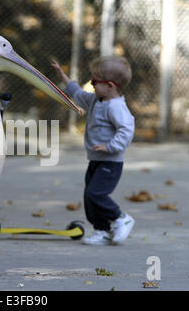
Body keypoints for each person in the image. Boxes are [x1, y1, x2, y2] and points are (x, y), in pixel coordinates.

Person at [52, 56, 135, 245]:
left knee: (95, 194)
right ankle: (102, 231)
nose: (91, 85)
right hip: (96, 159)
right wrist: (63, 76)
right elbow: (79, 95)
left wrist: (110, 146)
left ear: (110, 86)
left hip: (110, 162)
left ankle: (121, 218)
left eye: (94, 82)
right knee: (89, 197)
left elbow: (126, 129)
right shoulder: (98, 100)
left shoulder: (116, 107)